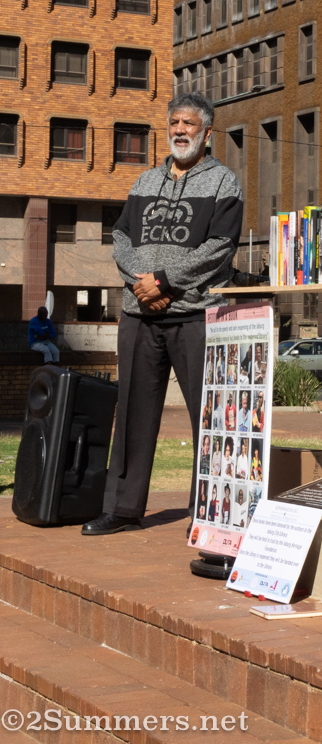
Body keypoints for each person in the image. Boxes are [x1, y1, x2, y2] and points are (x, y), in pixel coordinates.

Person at [81, 92, 244, 537]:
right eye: (174, 122)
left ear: (207, 133)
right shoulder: (144, 181)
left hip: (196, 316)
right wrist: (141, 282)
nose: (179, 130)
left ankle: (208, 511)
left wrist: (165, 282)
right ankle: (123, 509)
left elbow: (219, 249)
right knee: (132, 413)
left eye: (189, 124)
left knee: (207, 417)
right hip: (139, 314)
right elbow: (120, 237)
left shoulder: (223, 183)